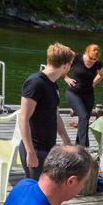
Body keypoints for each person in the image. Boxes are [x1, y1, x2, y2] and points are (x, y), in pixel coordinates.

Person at [18, 43, 74, 179]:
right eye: (71, 65)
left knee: (45, 190)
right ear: (65, 66)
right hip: (35, 148)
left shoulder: (53, 83)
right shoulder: (35, 83)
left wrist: (66, 140)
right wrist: (30, 152)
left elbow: (55, 113)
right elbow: (23, 118)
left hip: (49, 147)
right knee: (36, 192)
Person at [65, 43, 103, 147]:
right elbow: (63, 65)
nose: (92, 61)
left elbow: (101, 74)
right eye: (91, 58)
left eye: (95, 59)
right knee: (83, 115)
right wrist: (66, 78)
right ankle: (84, 146)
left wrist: (94, 83)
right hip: (74, 93)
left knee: (84, 119)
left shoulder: (97, 63)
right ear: (86, 52)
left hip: (88, 94)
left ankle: (78, 145)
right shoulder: (76, 58)